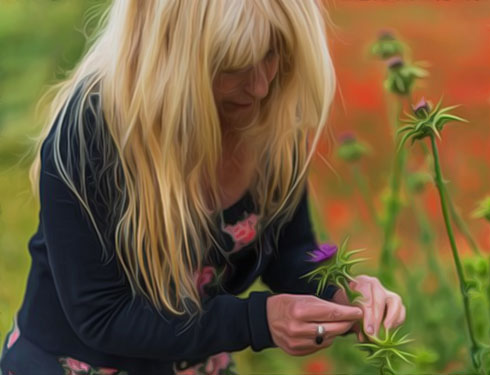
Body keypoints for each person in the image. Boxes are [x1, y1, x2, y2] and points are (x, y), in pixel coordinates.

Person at [0, 1, 406, 374]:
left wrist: (338, 290)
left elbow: (288, 250)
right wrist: (257, 320)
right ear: (171, 56)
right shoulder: (92, 133)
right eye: (234, 66)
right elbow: (102, 315)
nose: (261, 85)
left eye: (272, 53)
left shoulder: (271, 115)